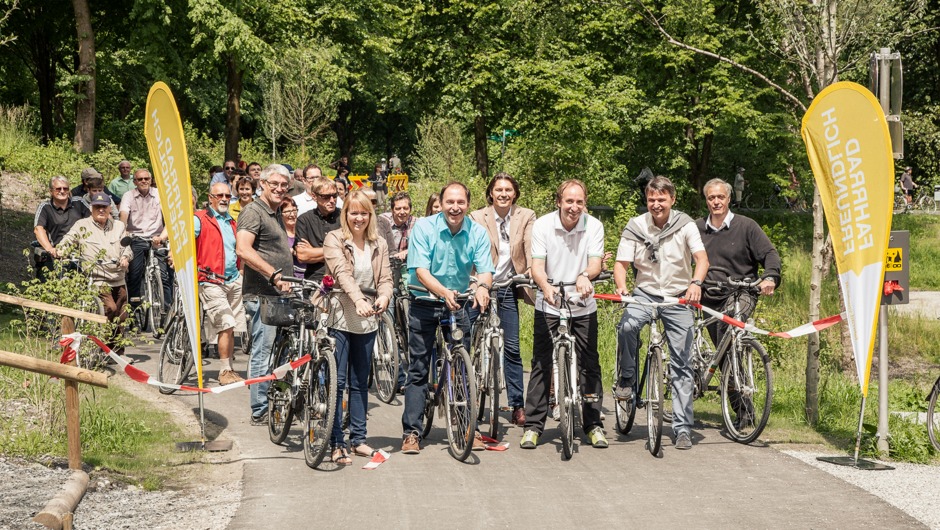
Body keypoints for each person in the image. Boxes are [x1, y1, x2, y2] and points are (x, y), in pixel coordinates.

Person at [613, 176, 708, 451]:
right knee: (628, 327)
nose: (656, 204)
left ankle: (681, 428)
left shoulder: (686, 225)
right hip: (644, 293)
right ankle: (627, 379)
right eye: (651, 199)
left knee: (682, 363)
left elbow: (702, 259)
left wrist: (695, 284)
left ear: (672, 200)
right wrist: (622, 288)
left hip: (678, 297)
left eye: (661, 199)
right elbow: (621, 264)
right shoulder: (636, 226)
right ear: (647, 200)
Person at [401, 182, 493, 455]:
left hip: (459, 304)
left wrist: (483, 288)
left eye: (461, 202)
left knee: (462, 368)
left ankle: (467, 427)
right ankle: (412, 433)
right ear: (441, 203)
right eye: (449, 202)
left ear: (468, 204)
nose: (455, 207)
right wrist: (442, 292)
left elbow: (485, 269)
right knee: (418, 368)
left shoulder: (477, 232)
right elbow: (420, 270)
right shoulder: (425, 228)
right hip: (425, 301)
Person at [519, 179, 607, 450]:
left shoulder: (594, 225)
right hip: (550, 301)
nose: (574, 207)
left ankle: (593, 424)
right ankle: (533, 426)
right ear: (558, 202)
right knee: (541, 363)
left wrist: (584, 276)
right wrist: (544, 287)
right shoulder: (543, 225)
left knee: (589, 364)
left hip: (582, 303)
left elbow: (594, 263)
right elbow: (537, 266)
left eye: (579, 202)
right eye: (569, 201)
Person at [696, 178, 780, 426]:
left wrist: (770, 277)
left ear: (729, 198)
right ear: (707, 200)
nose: (716, 202)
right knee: (722, 352)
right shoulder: (697, 228)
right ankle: (734, 403)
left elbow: (769, 254)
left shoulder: (747, 226)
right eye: (711, 198)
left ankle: (744, 411)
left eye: (720, 197)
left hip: (741, 292)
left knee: (729, 333)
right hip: (709, 295)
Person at [322, 190, 394, 464]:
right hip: (341, 312)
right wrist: (359, 300)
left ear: (371, 215)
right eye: (354, 212)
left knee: (360, 382)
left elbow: (385, 277)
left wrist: (385, 295)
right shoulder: (334, 239)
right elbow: (341, 274)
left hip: (368, 316)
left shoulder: (379, 243)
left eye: (364, 213)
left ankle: (359, 440)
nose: (359, 218)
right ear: (345, 214)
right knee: (337, 381)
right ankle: (336, 441)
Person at [468, 173, 536, 427]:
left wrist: (531, 269)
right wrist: (477, 283)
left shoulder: (526, 216)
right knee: (466, 337)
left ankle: (517, 405)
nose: (504, 194)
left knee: (512, 348)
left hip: (507, 286)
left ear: (515, 193)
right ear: (491, 193)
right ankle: (467, 391)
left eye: (508, 189)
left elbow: (530, 245)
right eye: (499, 189)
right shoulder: (477, 217)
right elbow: (472, 250)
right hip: (479, 284)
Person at [235, 164, 294, 425]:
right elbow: (243, 250)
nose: (280, 189)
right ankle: (259, 409)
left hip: (278, 296)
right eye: (275, 184)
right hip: (262, 295)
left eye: (285, 185)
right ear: (263, 185)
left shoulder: (275, 213)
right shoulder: (253, 211)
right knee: (264, 350)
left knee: (278, 351)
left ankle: (273, 402)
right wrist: (273, 275)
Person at [58, 192, 133, 353]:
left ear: (109, 208)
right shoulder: (82, 225)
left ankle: (117, 352)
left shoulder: (119, 226)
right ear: (91, 208)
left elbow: (126, 247)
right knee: (110, 308)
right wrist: (60, 251)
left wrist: (125, 257)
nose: (101, 210)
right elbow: (68, 239)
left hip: (118, 276)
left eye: (104, 207)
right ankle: (102, 347)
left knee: (122, 315)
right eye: (97, 207)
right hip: (97, 278)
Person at [196, 182, 247, 385]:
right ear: (210, 197)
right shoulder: (200, 218)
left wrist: (241, 272)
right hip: (210, 280)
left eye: (227, 195)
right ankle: (224, 370)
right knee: (225, 323)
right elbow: (185, 240)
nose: (224, 199)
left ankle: (230, 369)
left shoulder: (231, 222)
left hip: (233, 279)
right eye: (219, 195)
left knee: (232, 326)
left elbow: (238, 250)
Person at [120, 169, 171, 313]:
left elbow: (169, 220)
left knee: (163, 275)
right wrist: (124, 232)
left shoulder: (159, 194)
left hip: (157, 237)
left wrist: (161, 237)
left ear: (151, 180)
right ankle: (134, 312)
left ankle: (166, 311)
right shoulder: (128, 196)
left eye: (146, 178)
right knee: (135, 275)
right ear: (134, 181)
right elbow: (123, 217)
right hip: (137, 237)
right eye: (140, 179)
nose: (143, 181)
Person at [33, 176, 90, 281]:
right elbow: (38, 229)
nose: (62, 191)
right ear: (51, 191)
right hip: (56, 253)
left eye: (65, 188)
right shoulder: (45, 207)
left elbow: (93, 220)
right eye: (58, 189)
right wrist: (50, 249)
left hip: (80, 253)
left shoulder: (79, 202)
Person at [295, 177, 341, 281]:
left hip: (342, 278)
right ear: (314, 196)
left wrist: (313, 252)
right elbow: (302, 256)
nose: (332, 200)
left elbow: (351, 252)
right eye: (326, 197)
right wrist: (338, 251)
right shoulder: (304, 220)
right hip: (315, 280)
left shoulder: (345, 217)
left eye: (334, 196)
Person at [280, 197, 305, 278]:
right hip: (290, 278)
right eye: (287, 211)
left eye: (294, 210)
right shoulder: (279, 234)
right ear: (280, 214)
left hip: (308, 276)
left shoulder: (303, 229)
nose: (292, 214)